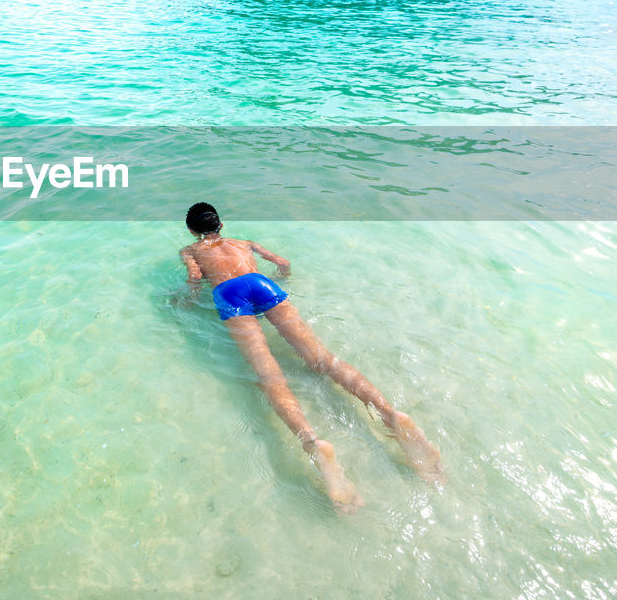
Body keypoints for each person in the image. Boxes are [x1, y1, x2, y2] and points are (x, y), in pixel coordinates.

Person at [179, 202, 443, 511]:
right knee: (322, 359)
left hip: (230, 294)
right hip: (262, 284)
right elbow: (283, 262)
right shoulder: (243, 242)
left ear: (192, 231)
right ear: (221, 226)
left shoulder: (190, 250)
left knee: (268, 373)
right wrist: (283, 278)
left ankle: (312, 442)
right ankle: (390, 414)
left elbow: (195, 279)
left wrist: (186, 301)